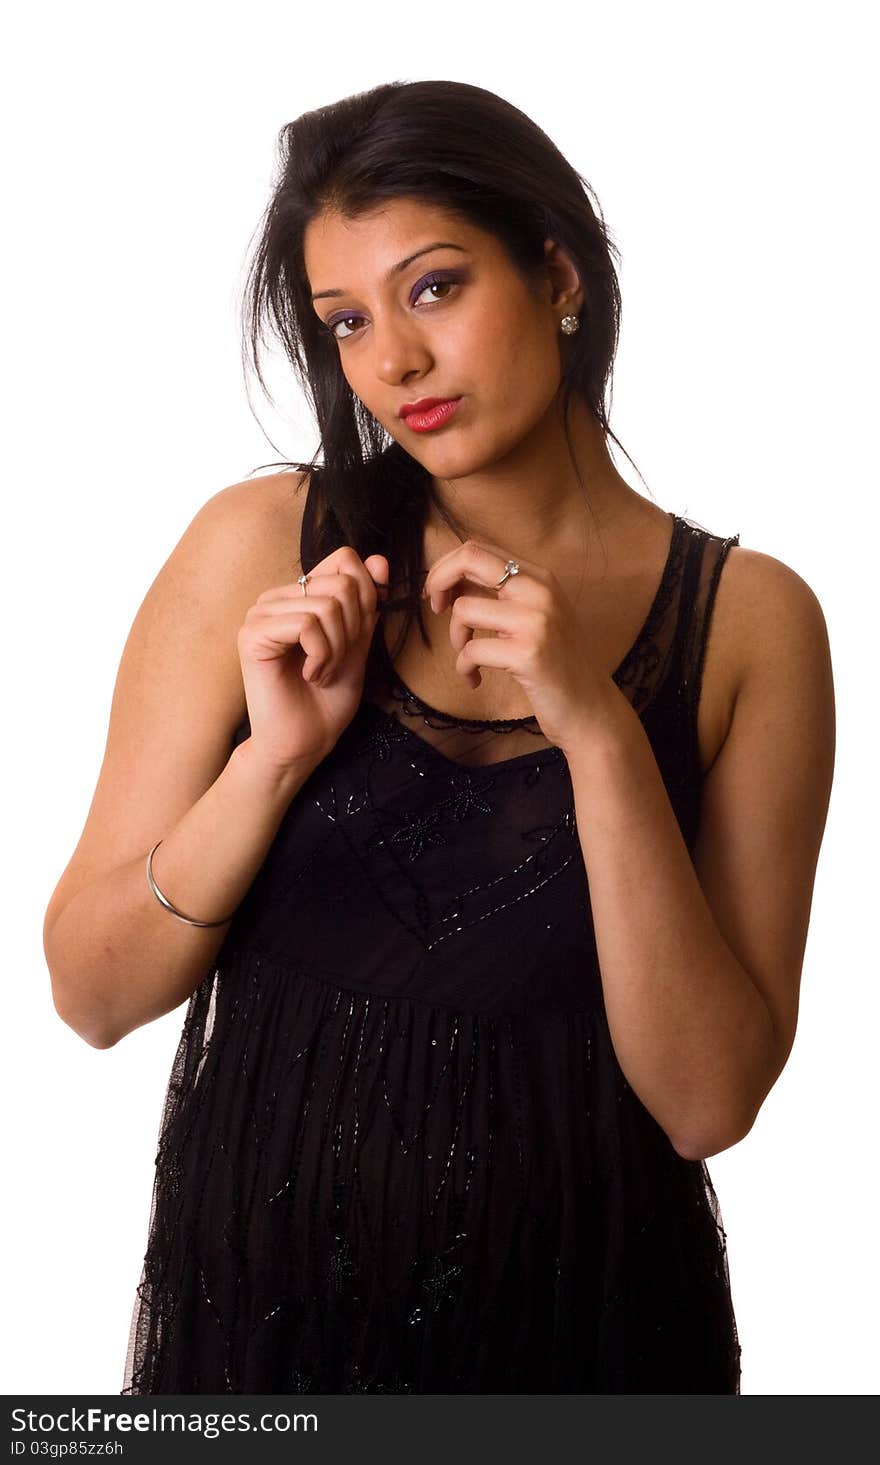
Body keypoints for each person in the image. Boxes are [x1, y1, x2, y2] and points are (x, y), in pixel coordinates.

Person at [43, 79, 835, 1395]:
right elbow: (91, 992)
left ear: (559, 272)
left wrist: (598, 725)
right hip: (261, 1350)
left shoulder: (751, 624)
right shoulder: (261, 549)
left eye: (433, 289)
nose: (391, 364)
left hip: (594, 1342)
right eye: (346, 320)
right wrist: (274, 758)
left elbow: (708, 1100)